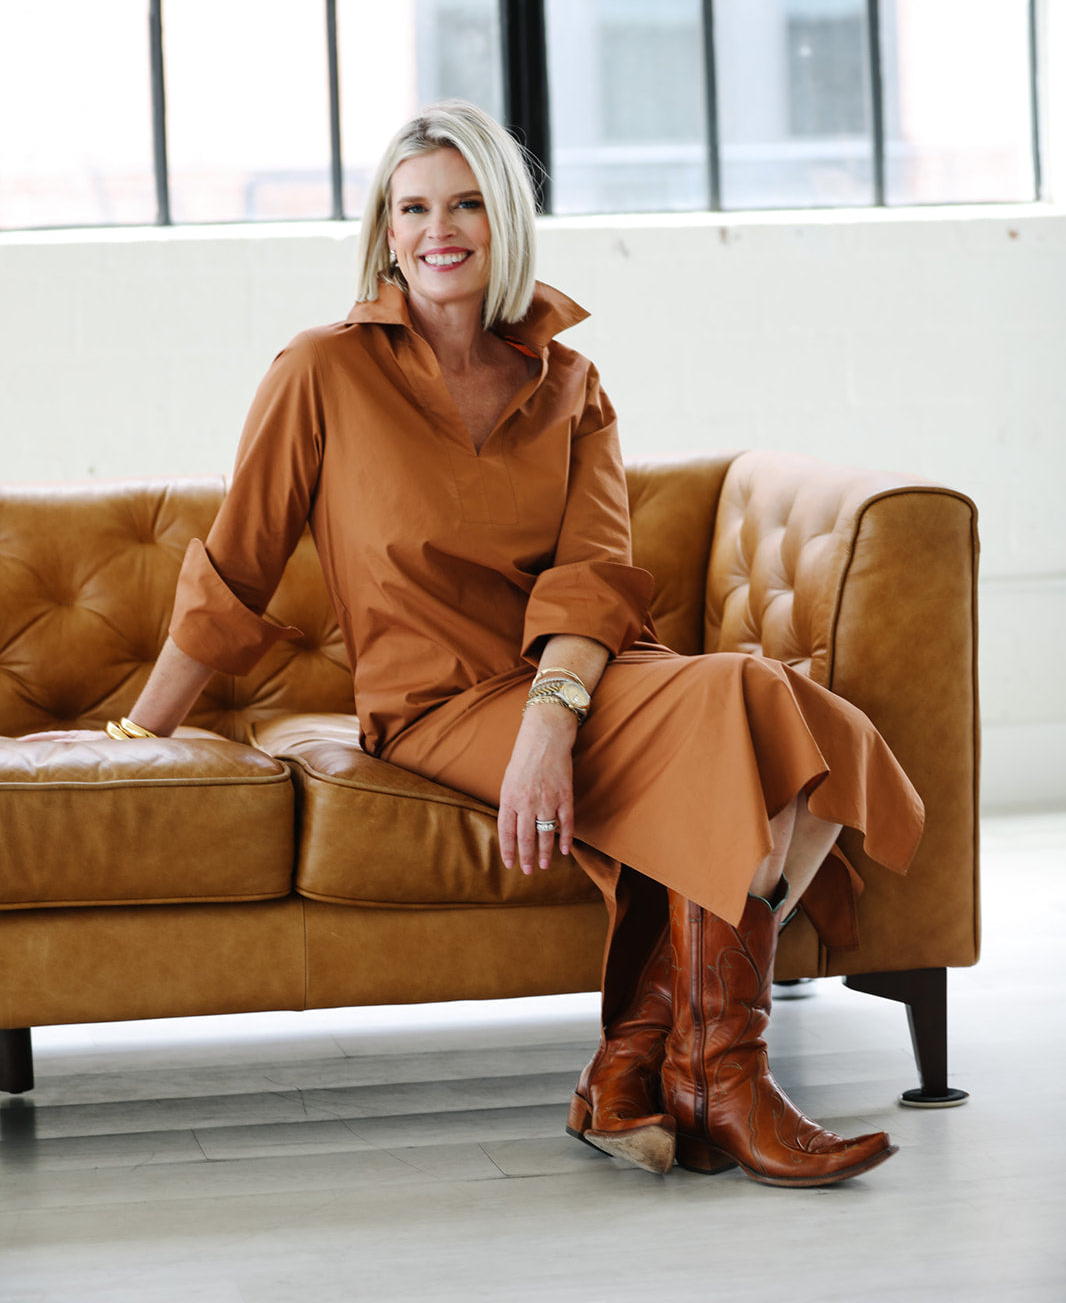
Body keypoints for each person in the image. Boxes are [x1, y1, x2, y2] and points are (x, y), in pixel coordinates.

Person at [32, 100, 924, 1187]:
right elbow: (236, 566)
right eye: (412, 208)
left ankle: (663, 1061)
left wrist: (554, 718)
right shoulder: (321, 369)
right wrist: (136, 729)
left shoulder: (571, 383)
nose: (436, 229)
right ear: (385, 227)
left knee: (800, 718)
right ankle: (708, 1075)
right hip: (438, 702)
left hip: (584, 676)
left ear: (503, 219)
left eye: (463, 203)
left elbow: (594, 576)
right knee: (749, 702)